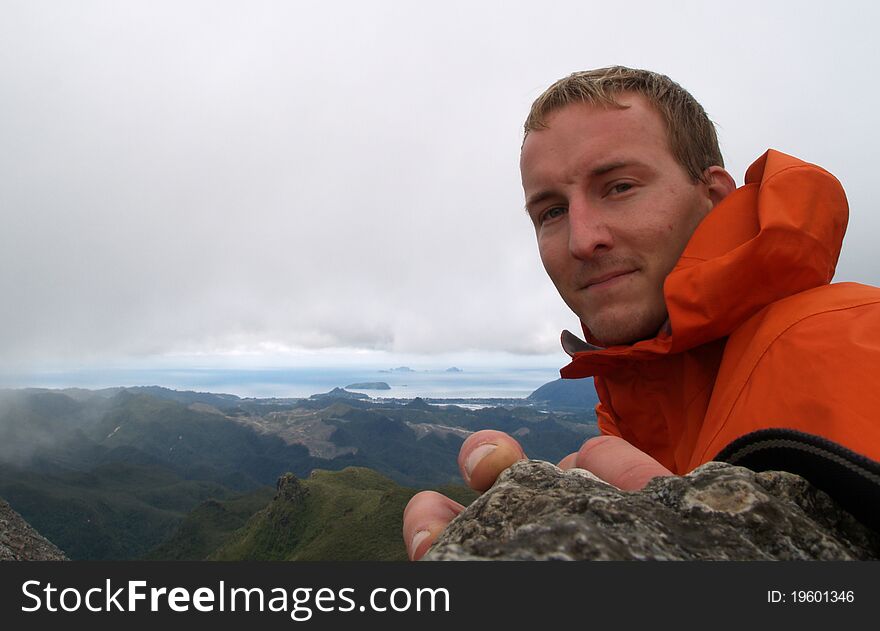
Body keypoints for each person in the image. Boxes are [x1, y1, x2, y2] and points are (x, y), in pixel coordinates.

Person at [403, 66, 880, 560]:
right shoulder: (631, 415)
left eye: (620, 187)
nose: (583, 239)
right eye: (551, 211)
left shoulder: (853, 341)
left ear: (714, 197)